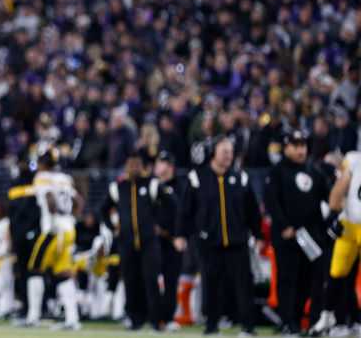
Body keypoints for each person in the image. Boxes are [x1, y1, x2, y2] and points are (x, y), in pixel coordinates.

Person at [175, 137, 262, 335]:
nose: (228, 155)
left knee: (243, 285)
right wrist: (180, 234)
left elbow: (252, 210)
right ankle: (211, 325)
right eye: (224, 151)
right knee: (211, 283)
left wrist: (258, 234)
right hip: (209, 241)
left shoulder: (241, 177)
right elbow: (185, 210)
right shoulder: (197, 178)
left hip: (237, 240)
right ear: (213, 152)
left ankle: (248, 327)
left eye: (230, 151)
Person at [264, 130, 331, 335]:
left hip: (311, 237)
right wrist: (284, 226)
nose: (301, 149)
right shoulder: (277, 171)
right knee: (287, 279)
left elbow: (327, 198)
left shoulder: (314, 170)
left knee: (308, 279)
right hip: (288, 236)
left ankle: (302, 319)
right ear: (286, 148)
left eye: (303, 145)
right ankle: (287, 321)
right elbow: (271, 201)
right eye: (296, 145)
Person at [100, 148, 165, 331]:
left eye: (137, 164)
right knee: (130, 281)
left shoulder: (152, 184)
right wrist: (113, 228)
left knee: (151, 280)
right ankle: (134, 318)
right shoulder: (118, 187)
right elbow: (103, 210)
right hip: (126, 242)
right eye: (130, 164)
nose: (133, 167)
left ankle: (155, 320)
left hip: (149, 242)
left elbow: (170, 205)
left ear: (142, 165)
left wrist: (160, 225)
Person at [24, 147, 83, 330]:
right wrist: (71, 219)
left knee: (35, 269)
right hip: (69, 229)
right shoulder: (65, 178)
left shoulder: (42, 178)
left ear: (43, 162)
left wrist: (53, 219)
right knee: (63, 273)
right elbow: (79, 201)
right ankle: (72, 319)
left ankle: (33, 317)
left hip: (53, 230)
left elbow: (49, 198)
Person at [326, 144, 361, 334]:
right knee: (339, 275)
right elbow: (338, 192)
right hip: (348, 226)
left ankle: (348, 320)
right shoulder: (353, 161)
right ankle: (337, 320)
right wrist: (333, 215)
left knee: (342, 277)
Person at [7, 162, 40, 323]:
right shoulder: (16, 185)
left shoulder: (37, 182)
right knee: (24, 273)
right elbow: (11, 214)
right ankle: (27, 308)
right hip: (22, 235)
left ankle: (35, 309)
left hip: (30, 235)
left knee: (34, 272)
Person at [152, 150, 182, 329]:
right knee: (150, 280)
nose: (158, 166)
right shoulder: (152, 186)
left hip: (171, 240)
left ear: (170, 166)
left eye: (162, 163)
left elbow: (182, 213)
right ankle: (153, 316)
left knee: (171, 281)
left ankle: (168, 317)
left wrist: (172, 233)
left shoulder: (179, 185)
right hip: (152, 241)